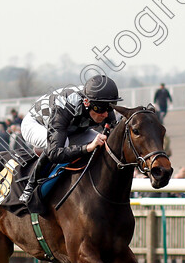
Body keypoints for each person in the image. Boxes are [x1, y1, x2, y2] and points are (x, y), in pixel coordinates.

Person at [18, 74, 120, 207]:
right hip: (37, 124)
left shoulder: (102, 103)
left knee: (101, 143)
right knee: (65, 143)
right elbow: (55, 152)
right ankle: (30, 187)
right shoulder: (65, 106)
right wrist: (87, 148)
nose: (106, 114)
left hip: (71, 129)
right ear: (87, 102)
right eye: (101, 109)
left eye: (110, 108)